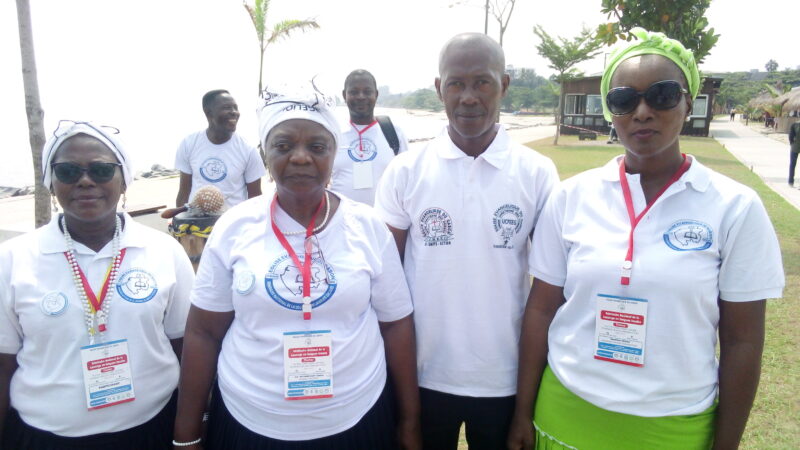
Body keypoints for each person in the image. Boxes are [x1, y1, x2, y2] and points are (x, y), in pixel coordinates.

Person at [507, 28, 785, 450]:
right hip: (565, 414)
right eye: (623, 99)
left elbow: (741, 340)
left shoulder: (734, 208)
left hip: (673, 427)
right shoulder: (570, 198)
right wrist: (522, 413)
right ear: (610, 111)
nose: (642, 112)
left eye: (661, 95)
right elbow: (542, 309)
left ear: (688, 102)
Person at [172, 86, 421, 449]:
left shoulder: (368, 226)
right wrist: (187, 435)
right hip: (250, 422)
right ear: (265, 154)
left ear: (334, 154)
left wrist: (410, 420)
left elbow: (397, 324)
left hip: (357, 418)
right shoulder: (234, 226)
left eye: (317, 147)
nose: (300, 158)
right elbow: (203, 333)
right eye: (284, 145)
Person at [374, 33, 559, 450]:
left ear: (505, 85)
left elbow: (549, 292)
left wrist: (526, 408)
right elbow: (384, 287)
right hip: (421, 376)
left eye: (483, 82)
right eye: (456, 83)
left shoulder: (537, 172)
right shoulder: (405, 171)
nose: (469, 97)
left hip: (503, 378)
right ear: (439, 88)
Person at [0, 121, 194, 449]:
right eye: (68, 171)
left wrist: (190, 430)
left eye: (102, 170)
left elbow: (184, 347)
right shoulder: (13, 258)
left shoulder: (164, 251)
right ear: (51, 183)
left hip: (151, 429)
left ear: (124, 181)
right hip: (44, 437)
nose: (85, 181)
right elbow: (3, 364)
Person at [175, 89, 266, 209]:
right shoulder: (189, 143)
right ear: (209, 113)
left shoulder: (248, 150)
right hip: (196, 221)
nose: (234, 112)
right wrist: (180, 220)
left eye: (235, 107)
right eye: (227, 108)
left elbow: (256, 198)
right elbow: (184, 191)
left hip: (232, 222)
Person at [331, 69, 409, 206]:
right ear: (344, 95)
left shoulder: (394, 133)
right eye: (354, 92)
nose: (361, 97)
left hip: (385, 222)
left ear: (376, 95)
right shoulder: (333, 135)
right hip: (341, 222)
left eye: (367, 92)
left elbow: (408, 179)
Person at [789, 120, 800, 187]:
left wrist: (792, 143)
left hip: (794, 146)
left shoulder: (794, 124)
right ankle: (791, 181)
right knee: (792, 164)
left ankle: (790, 181)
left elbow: (790, 136)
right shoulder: (794, 125)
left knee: (792, 164)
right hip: (795, 146)